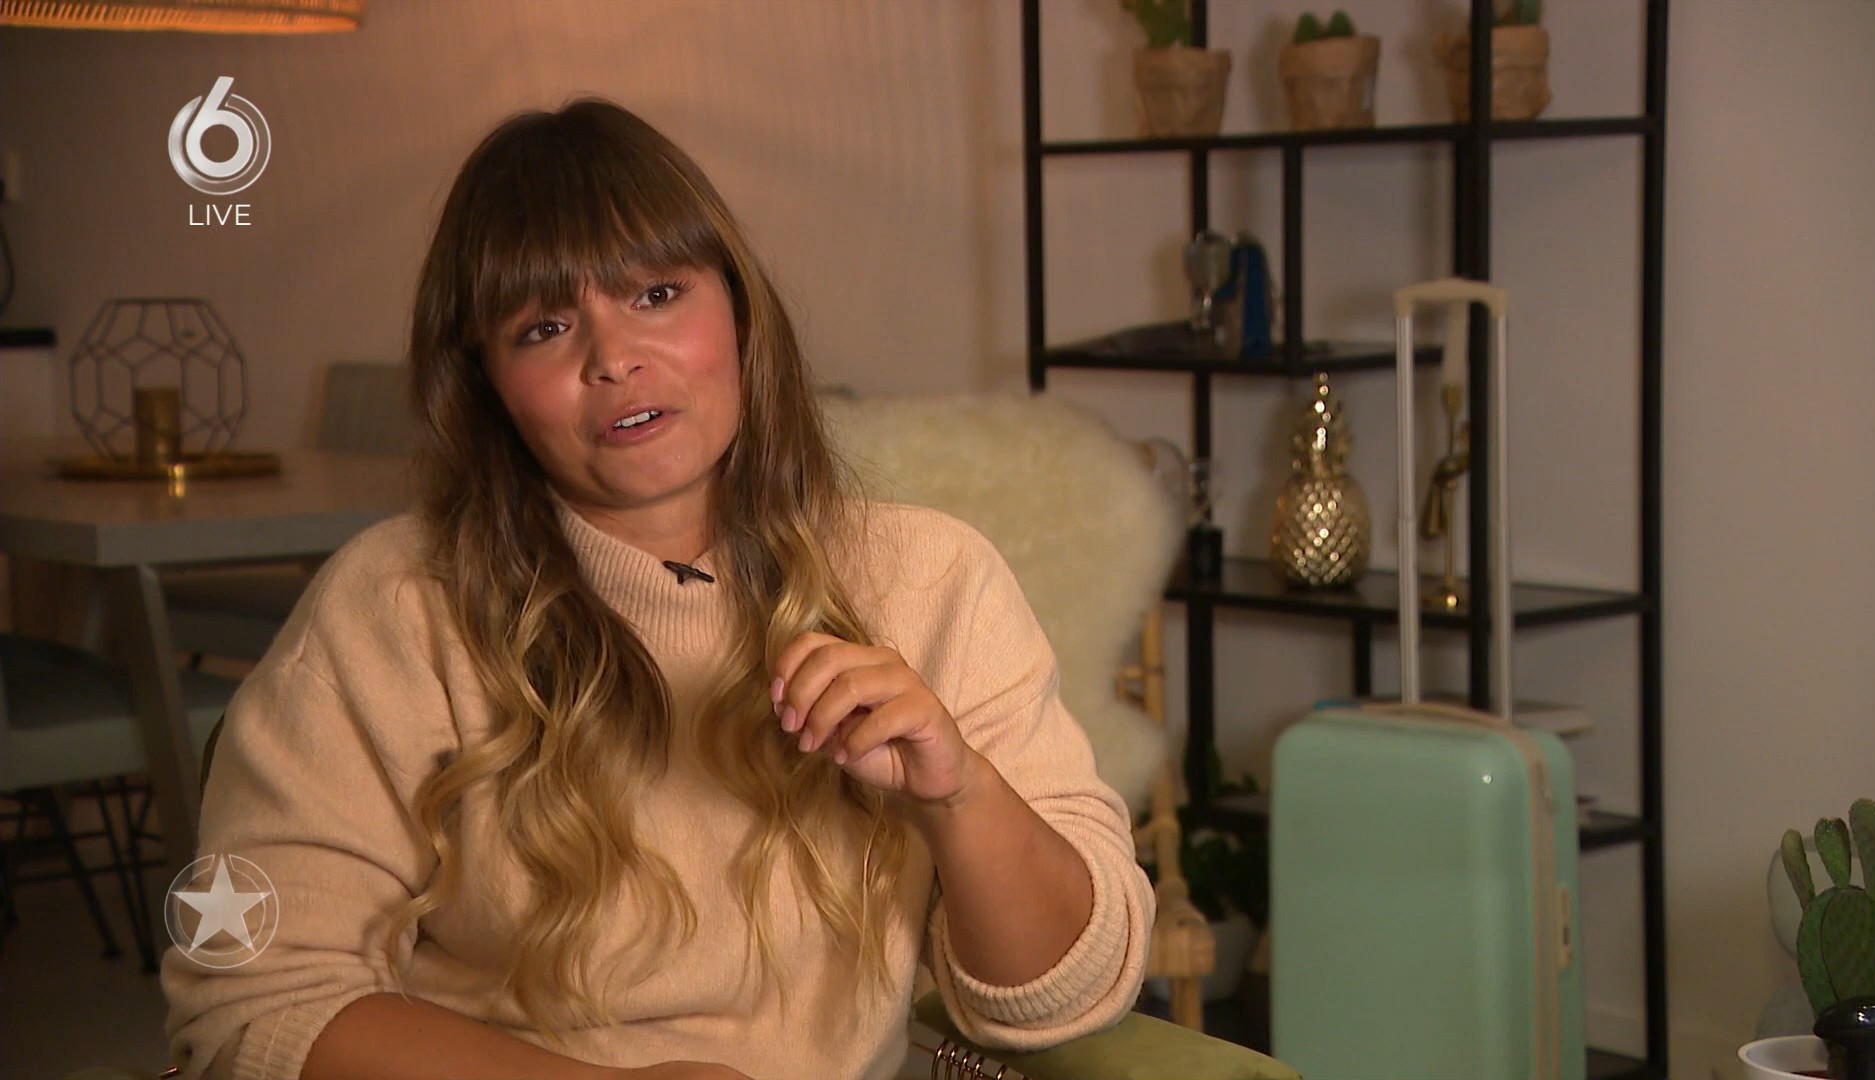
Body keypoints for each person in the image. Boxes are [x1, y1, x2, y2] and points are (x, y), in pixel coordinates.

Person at [160, 97, 1151, 1080]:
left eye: (657, 294)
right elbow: (247, 999)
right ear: (486, 383)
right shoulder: (392, 606)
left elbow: (1065, 996)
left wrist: (960, 796)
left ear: (739, 311)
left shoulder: (933, 578)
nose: (614, 359)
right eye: (544, 327)